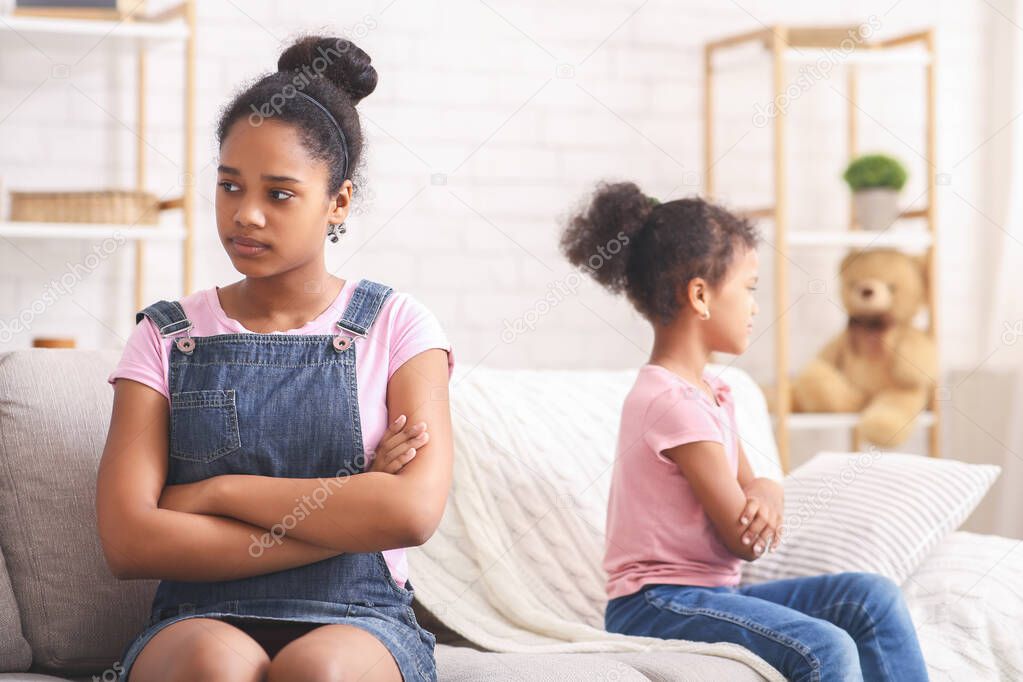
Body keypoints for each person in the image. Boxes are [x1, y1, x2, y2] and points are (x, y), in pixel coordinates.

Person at [96, 35, 452, 682]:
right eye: (230, 187)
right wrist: (351, 507)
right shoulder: (165, 334)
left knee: (319, 671)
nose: (246, 215)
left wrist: (213, 493)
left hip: (362, 620)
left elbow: (410, 513)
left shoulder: (399, 326)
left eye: (279, 194)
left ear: (337, 203)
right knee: (213, 665)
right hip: (196, 617)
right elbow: (128, 541)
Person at [560, 181, 929, 681]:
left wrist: (768, 492)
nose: (756, 306)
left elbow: (755, 484)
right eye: (750, 288)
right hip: (657, 603)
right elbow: (744, 539)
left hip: (711, 595)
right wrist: (762, 503)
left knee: (873, 598)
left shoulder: (715, 392)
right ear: (700, 296)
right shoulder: (671, 402)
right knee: (826, 646)